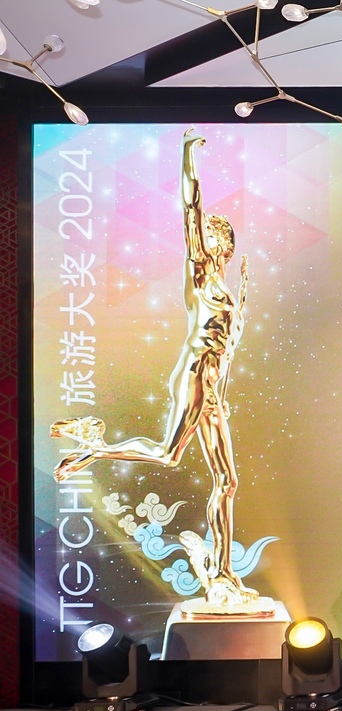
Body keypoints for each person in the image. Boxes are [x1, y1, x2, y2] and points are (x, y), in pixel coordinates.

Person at [50, 129, 255, 607]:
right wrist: (188, 155)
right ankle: (96, 450)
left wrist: (223, 392)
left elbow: (230, 347)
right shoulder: (200, 274)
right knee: (168, 454)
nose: (212, 238)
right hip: (193, 375)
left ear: (227, 245)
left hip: (214, 387)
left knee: (228, 481)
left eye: (219, 235)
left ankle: (224, 572)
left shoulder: (228, 288)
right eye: (209, 234)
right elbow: (191, 207)